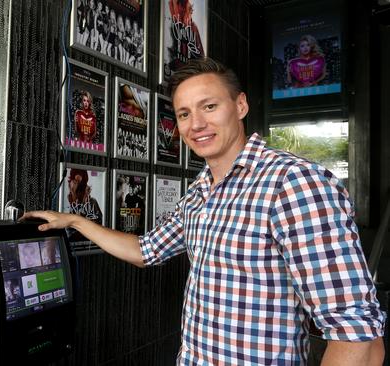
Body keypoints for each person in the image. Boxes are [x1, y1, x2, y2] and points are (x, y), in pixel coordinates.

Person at [23, 58, 385, 364]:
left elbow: (354, 332)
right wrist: (74, 220)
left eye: (209, 106)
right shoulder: (199, 191)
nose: (196, 124)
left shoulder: (292, 182)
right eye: (184, 114)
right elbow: (145, 251)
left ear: (240, 106)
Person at [66, 168, 102, 242]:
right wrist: (73, 192)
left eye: (80, 183)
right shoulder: (66, 201)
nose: (76, 185)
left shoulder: (92, 202)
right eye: (75, 182)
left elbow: (98, 223)